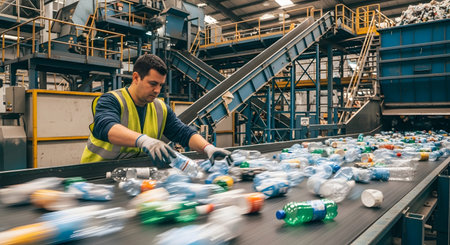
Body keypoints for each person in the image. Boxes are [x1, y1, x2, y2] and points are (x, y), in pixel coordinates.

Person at [81, 54, 230, 166]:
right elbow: (106, 127)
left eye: (161, 85)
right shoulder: (111, 100)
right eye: (153, 83)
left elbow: (183, 132)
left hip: (134, 174)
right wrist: (143, 140)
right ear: (135, 78)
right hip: (96, 174)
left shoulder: (160, 108)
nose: (157, 90)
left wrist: (208, 148)